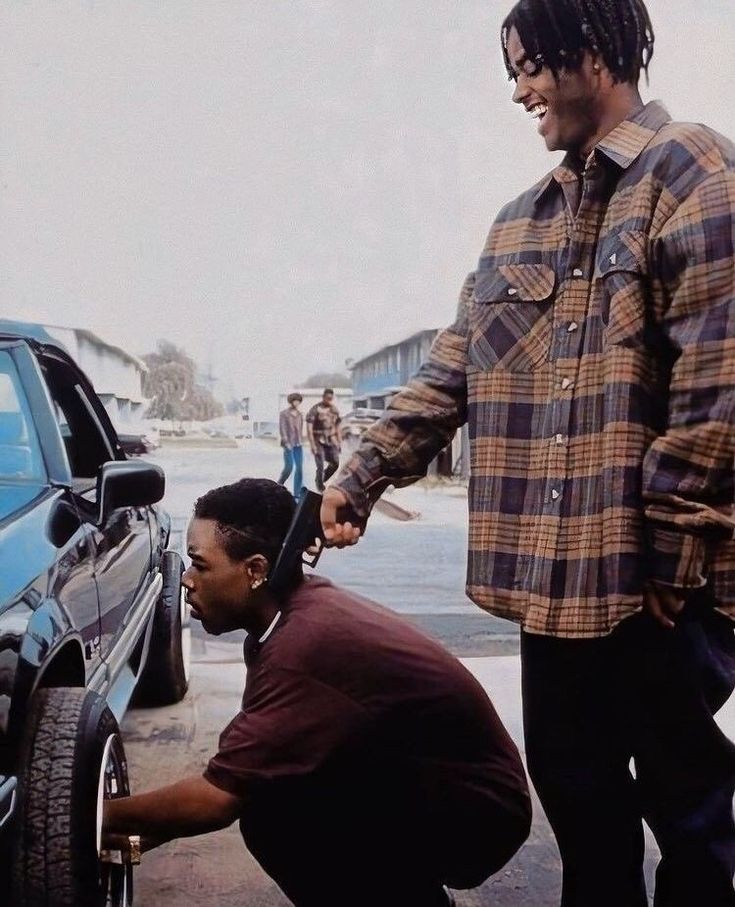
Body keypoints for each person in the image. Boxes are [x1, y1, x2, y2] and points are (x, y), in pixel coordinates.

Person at [321, 2, 735, 905]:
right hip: (551, 592)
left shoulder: (694, 171)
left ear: (591, 51)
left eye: (529, 67)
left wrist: (674, 543)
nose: (518, 91)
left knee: (690, 813)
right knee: (582, 809)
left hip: (663, 589)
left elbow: (719, 378)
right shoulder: (515, 224)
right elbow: (452, 369)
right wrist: (362, 471)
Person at [103, 478, 531, 907]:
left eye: (200, 564)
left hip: (478, 815)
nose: (187, 581)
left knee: (275, 814)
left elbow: (219, 797)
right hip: (435, 785)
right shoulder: (290, 615)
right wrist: (142, 831)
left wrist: (86, 814)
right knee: (270, 784)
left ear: (254, 570)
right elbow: (247, 761)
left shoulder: (302, 647)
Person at [305, 388, 341, 490]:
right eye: (327, 398)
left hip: (330, 439)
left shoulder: (334, 409)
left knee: (335, 463)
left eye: (331, 398)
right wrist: (312, 444)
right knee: (320, 464)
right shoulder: (315, 409)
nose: (329, 400)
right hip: (317, 439)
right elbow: (309, 428)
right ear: (323, 397)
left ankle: (320, 479)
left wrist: (339, 442)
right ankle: (320, 488)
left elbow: (337, 426)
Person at [278, 392, 304, 497]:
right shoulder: (284, 414)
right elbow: (282, 428)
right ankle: (279, 485)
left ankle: (297, 493)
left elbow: (301, 428)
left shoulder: (300, 414)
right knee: (289, 467)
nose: (297, 403)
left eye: (298, 401)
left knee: (299, 468)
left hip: (298, 444)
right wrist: (286, 441)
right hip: (288, 444)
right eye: (295, 400)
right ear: (291, 401)